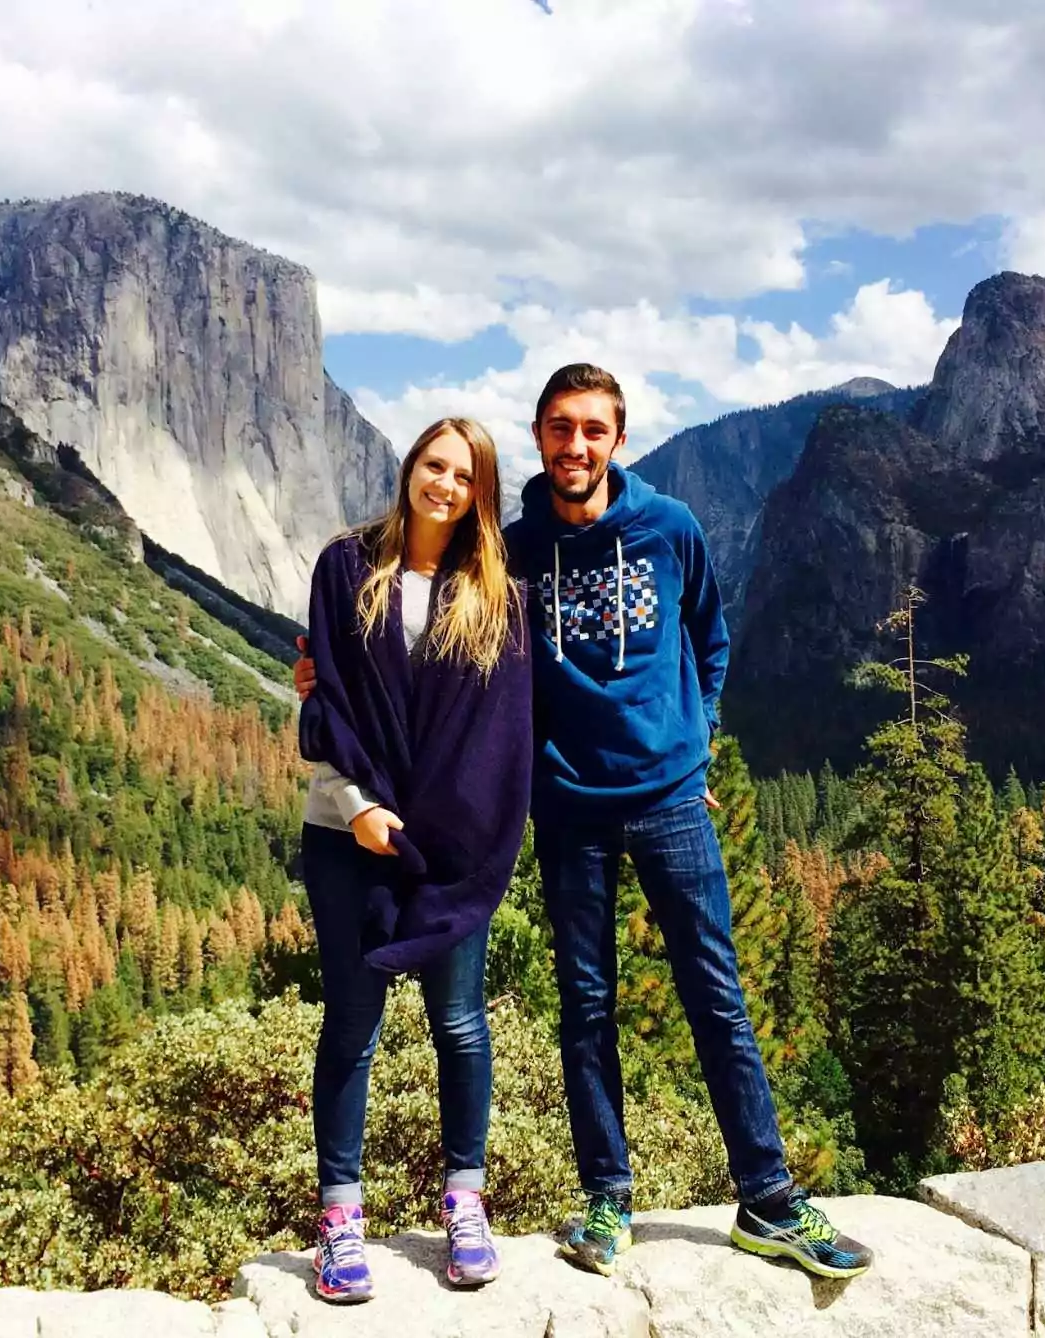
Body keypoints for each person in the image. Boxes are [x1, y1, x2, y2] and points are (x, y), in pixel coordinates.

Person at [297, 366, 873, 1282]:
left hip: (671, 801)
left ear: (617, 439)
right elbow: (429, 666)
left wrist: (698, 740)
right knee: (585, 1009)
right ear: (537, 438)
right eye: (560, 429)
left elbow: (710, 636)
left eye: (593, 430)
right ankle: (607, 1202)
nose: (576, 446)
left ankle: (766, 1198)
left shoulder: (668, 529)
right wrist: (318, 685)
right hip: (568, 811)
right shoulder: (510, 555)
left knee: (715, 998)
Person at [295, 416, 533, 1304]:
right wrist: (358, 808)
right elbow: (325, 712)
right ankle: (339, 1222)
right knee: (351, 1029)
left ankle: (464, 1205)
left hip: (449, 848)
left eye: (464, 475)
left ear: (481, 493)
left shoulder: (497, 595)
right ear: (409, 470)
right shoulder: (345, 568)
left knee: (459, 1023)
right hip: (345, 835)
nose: (444, 484)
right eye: (433, 465)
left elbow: (500, 734)